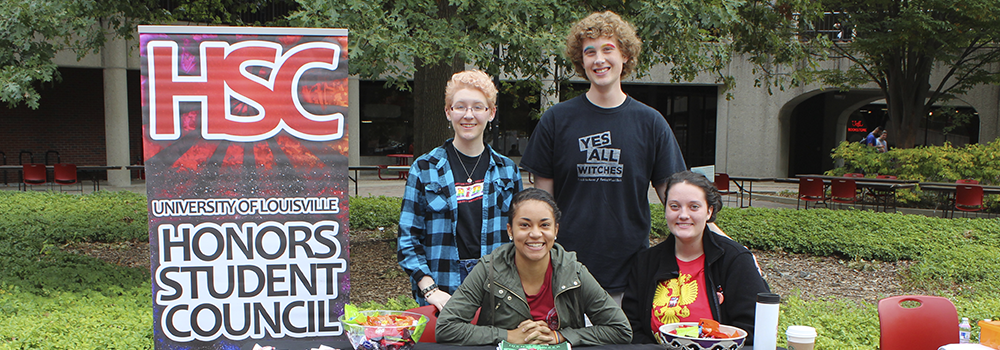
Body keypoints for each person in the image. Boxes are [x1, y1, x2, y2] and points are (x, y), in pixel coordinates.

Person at [519, 11, 687, 302]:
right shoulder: (557, 120)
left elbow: (679, 200)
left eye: (608, 49)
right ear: (581, 61)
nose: (599, 59)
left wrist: (723, 244)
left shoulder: (651, 123)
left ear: (625, 55)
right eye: (590, 52)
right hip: (563, 276)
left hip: (630, 277)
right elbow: (539, 208)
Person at [436, 188, 632, 346]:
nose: (535, 234)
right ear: (510, 230)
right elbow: (446, 327)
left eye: (544, 225)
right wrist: (508, 335)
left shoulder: (574, 272)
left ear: (556, 230)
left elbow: (620, 329)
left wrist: (561, 337)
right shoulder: (488, 269)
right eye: (525, 225)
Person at [397, 70, 523, 310]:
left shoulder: (508, 171)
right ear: (448, 111)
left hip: (496, 293)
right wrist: (430, 289)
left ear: (491, 113)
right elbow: (408, 238)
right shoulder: (424, 168)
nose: (468, 115)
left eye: (478, 107)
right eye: (460, 107)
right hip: (441, 291)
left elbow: (519, 235)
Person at [621, 171, 770, 344]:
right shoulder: (646, 262)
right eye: (674, 206)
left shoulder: (735, 260)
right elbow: (632, 326)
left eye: (694, 207)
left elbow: (753, 328)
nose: (683, 215)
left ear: (709, 211)